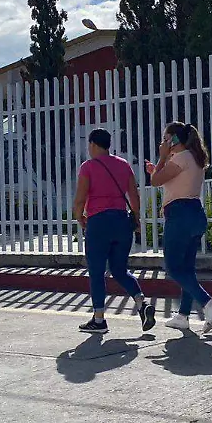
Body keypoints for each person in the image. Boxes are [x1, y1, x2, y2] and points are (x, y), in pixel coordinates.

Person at [73, 128, 155, 334]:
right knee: (119, 270)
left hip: (99, 223)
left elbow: (81, 197)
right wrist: (136, 217)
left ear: (92, 144)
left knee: (97, 272)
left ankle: (99, 319)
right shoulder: (123, 165)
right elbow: (134, 196)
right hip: (120, 222)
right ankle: (142, 304)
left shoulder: (88, 167)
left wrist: (79, 216)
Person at [146, 122, 212, 334]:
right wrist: (159, 167)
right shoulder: (193, 158)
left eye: (165, 138)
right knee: (187, 269)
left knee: (172, 267)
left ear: (173, 140)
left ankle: (208, 302)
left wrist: (161, 158)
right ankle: (183, 315)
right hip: (194, 213)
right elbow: (172, 180)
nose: (162, 142)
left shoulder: (179, 158)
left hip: (180, 215)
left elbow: (154, 182)